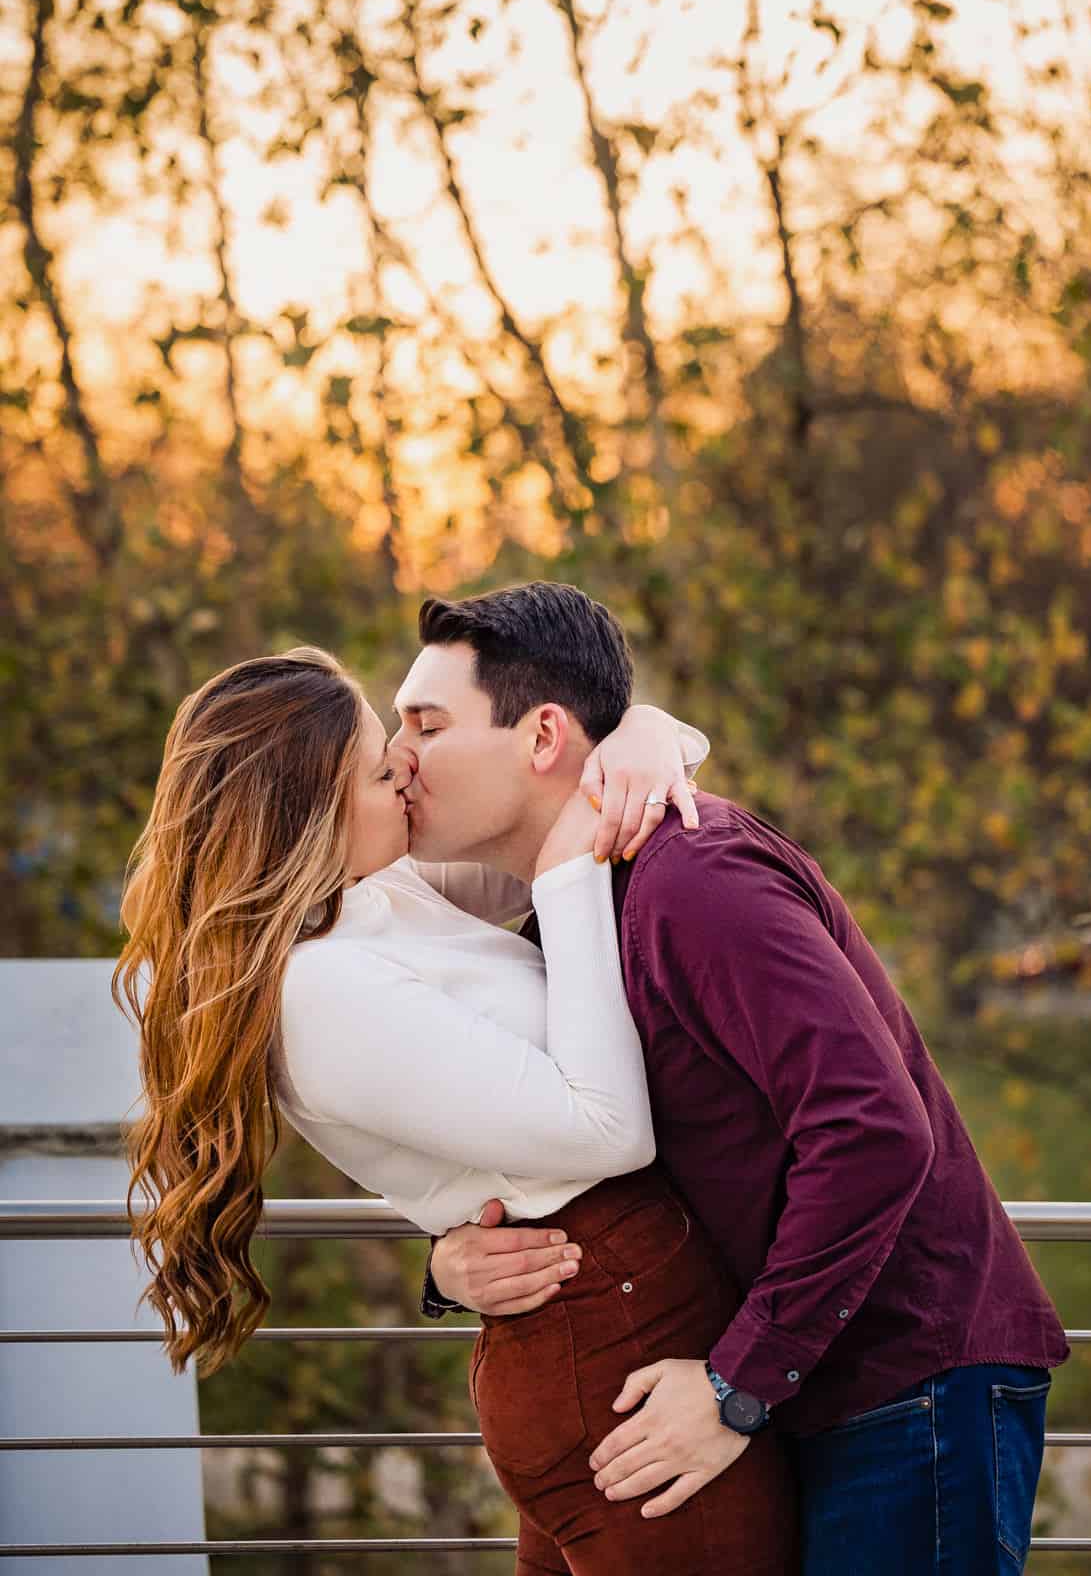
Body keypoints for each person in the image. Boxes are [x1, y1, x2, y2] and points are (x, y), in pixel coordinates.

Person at [414, 582, 1071, 1576]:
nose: (400, 756)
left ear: (543, 734)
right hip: (811, 1374)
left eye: (426, 723)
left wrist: (736, 1384)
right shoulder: (577, 903)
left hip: (907, 1379)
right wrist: (450, 1265)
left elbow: (873, 1129)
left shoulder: (692, 877)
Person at [112, 631, 798, 1576]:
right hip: (608, 1337)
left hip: (613, 1319)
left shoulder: (377, 899)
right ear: (306, 816)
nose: (403, 765)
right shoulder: (318, 993)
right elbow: (607, 1128)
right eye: (371, 766)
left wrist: (638, 732)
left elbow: (550, 799)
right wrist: (567, 875)